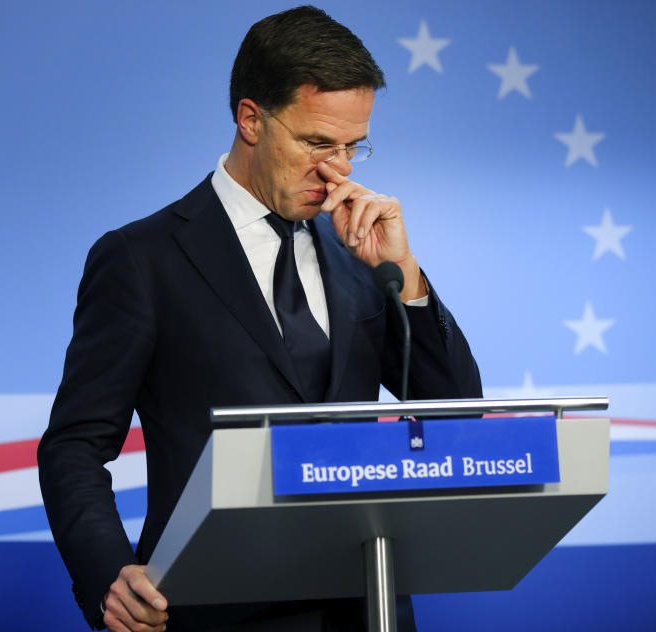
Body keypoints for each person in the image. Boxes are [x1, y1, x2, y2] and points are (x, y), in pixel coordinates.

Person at [38, 6, 482, 631]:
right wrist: (108, 572)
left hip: (366, 606)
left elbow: (457, 410)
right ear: (251, 119)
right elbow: (75, 446)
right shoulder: (143, 259)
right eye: (317, 143)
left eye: (353, 147)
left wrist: (404, 271)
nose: (340, 170)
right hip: (210, 611)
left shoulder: (363, 254)